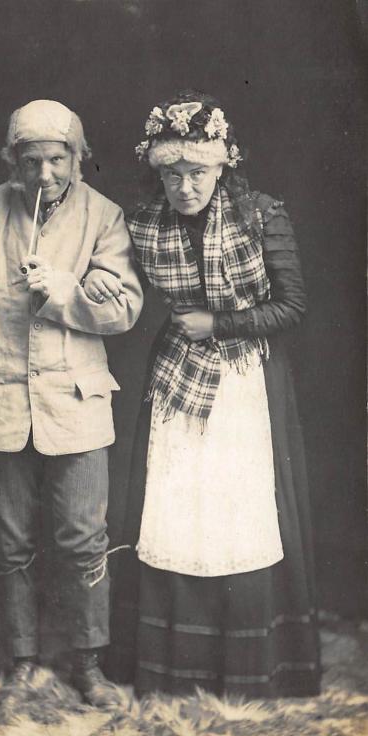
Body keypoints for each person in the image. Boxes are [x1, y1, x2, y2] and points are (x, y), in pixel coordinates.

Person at [84, 90, 320, 699]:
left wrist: (219, 325)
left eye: (197, 173)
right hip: (177, 383)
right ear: (158, 173)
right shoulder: (145, 224)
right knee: (177, 508)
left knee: (238, 511)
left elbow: (291, 308)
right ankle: (170, 664)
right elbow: (116, 275)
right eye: (172, 174)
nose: (184, 187)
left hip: (245, 381)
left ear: (222, 166)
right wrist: (99, 284)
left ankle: (245, 666)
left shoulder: (261, 215)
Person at [0, 99, 143, 707]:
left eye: (56, 160)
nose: (43, 175)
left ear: (79, 157)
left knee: (83, 538)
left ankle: (89, 664)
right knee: (11, 540)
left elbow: (125, 309)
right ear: (12, 161)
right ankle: (22, 662)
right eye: (30, 162)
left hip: (77, 405)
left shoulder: (105, 216)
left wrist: (65, 292)